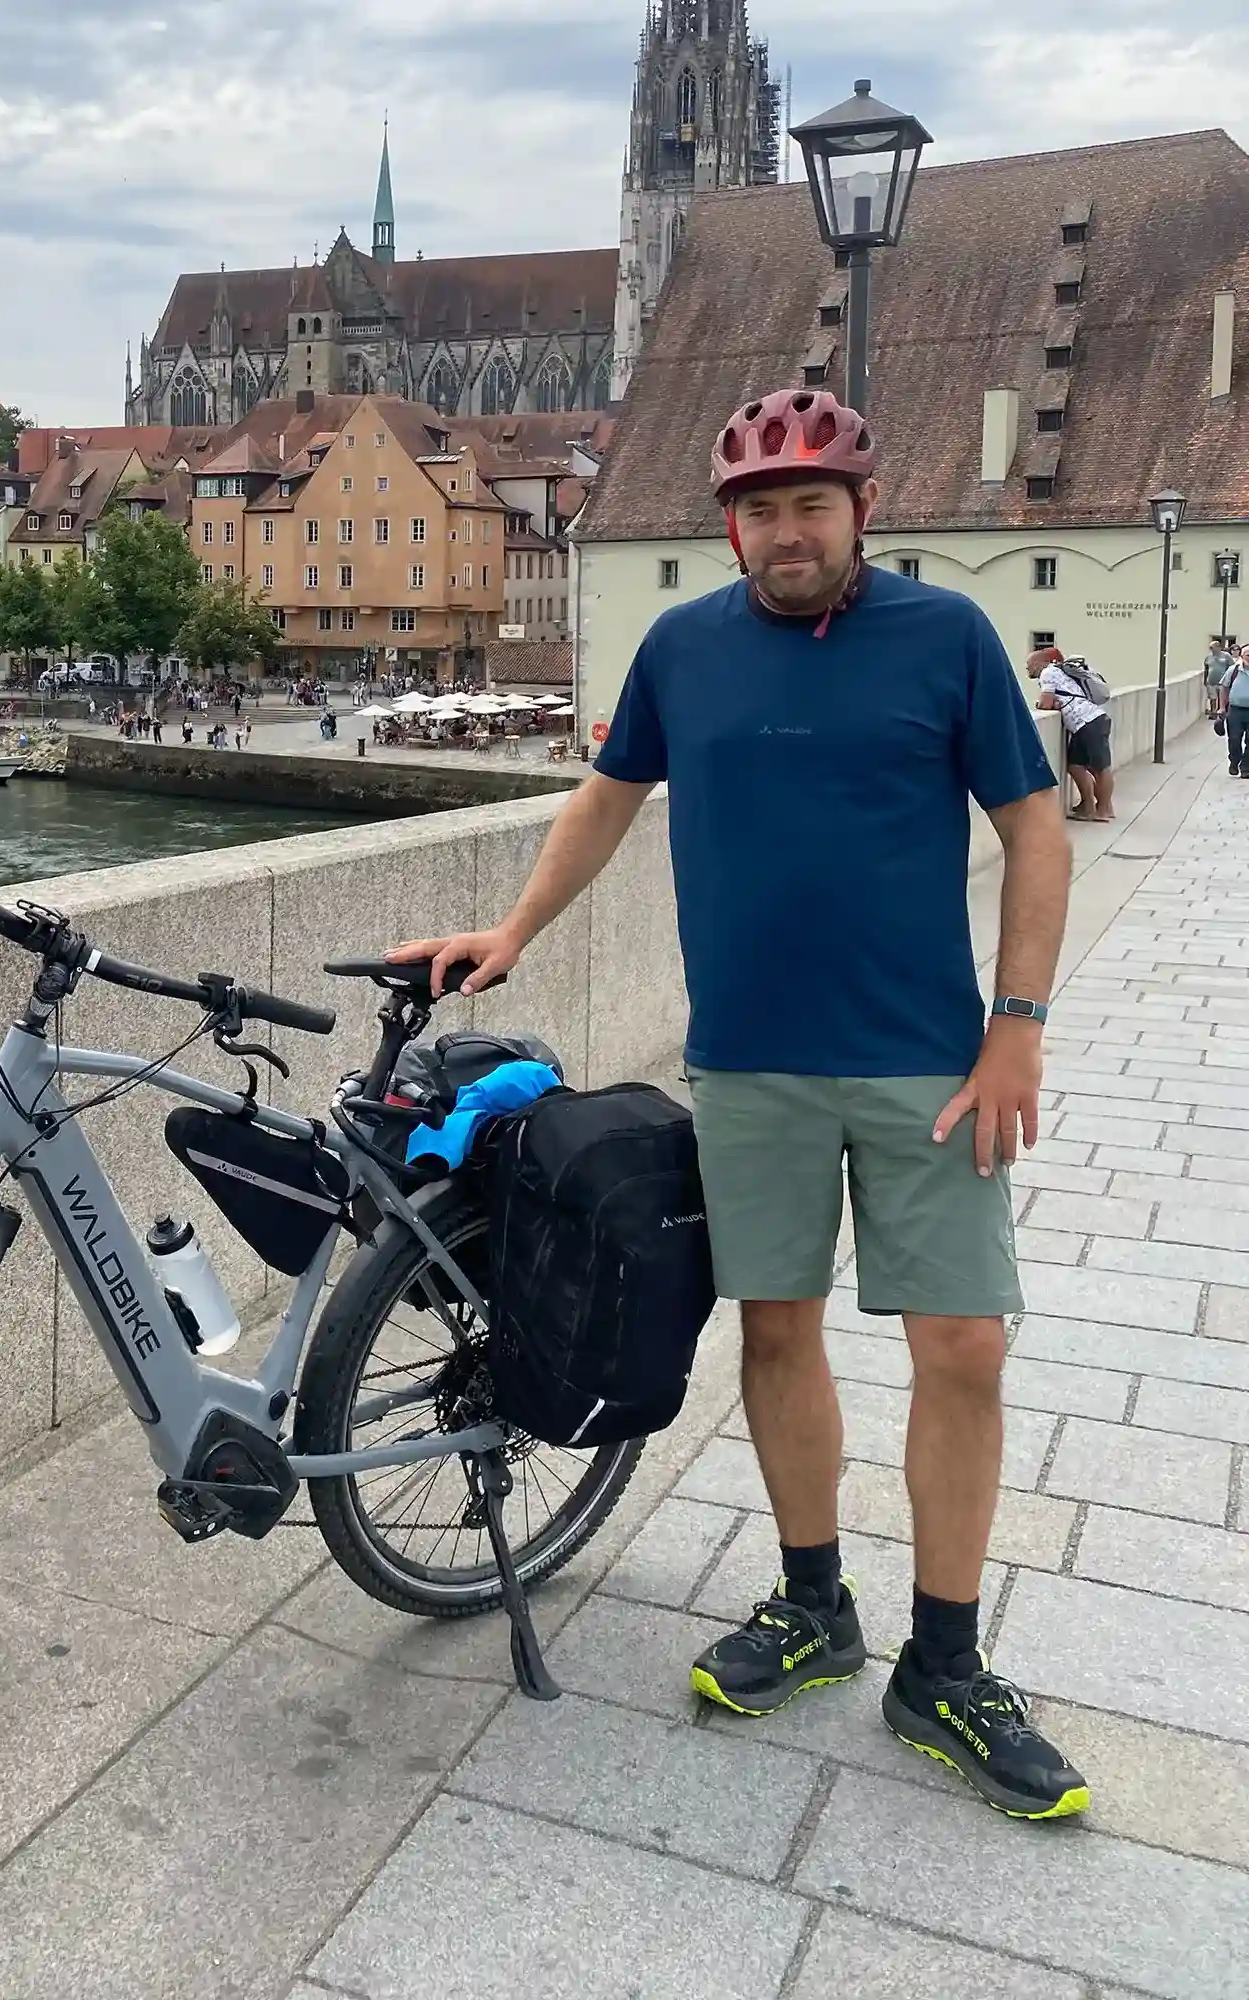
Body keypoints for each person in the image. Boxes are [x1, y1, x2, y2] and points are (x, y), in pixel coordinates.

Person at [388, 389, 1088, 1821]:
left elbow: (1034, 829)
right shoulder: (683, 648)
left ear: (858, 512)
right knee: (778, 1330)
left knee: (961, 1345)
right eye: (761, 509)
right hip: (750, 1061)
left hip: (925, 1062)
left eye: (811, 504)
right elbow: (606, 796)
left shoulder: (945, 638)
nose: (787, 531)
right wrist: (516, 928)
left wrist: (1016, 1028)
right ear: (730, 526)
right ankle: (813, 1605)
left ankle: (944, 1664)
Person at [1030, 647, 1114, 822]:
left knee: (1100, 768)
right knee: (1076, 765)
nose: (1027, 668)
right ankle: (1088, 806)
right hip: (1088, 721)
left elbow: (1045, 703)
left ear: (1039, 662)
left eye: (1029, 664)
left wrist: (1043, 704)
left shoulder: (1048, 673)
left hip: (1088, 721)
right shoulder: (1058, 673)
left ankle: (1103, 809)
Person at [1221, 652, 1249, 776]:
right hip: (1235, 710)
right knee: (1234, 739)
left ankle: (1246, 768)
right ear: (1242, 656)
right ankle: (1234, 761)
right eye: (1248, 654)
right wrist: (1222, 707)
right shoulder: (1233, 671)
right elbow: (1224, 688)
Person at [1205, 638, 1237, 718]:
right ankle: (1213, 713)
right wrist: (1205, 679)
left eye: (1213, 648)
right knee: (1212, 698)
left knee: (1222, 698)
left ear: (1218, 647)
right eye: (1211, 648)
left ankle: (1221, 713)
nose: (1212, 650)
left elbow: (1232, 667)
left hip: (1223, 681)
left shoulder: (1226, 655)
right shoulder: (1208, 657)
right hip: (1211, 681)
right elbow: (1206, 668)